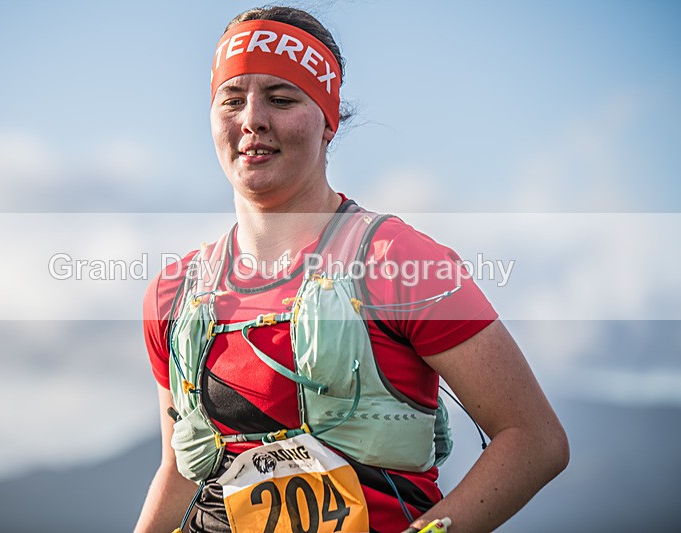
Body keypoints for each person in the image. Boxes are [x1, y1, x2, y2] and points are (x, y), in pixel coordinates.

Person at [134, 6, 569, 533]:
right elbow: (178, 472)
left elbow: (534, 438)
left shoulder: (402, 264)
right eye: (232, 99)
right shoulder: (176, 295)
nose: (252, 119)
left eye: (281, 98)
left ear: (327, 121)